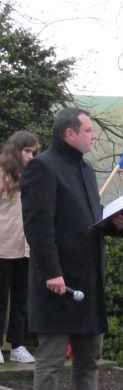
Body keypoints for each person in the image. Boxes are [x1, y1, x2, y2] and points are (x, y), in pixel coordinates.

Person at [20, 107, 123, 390]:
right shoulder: (42, 167)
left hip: (88, 279)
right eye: (88, 130)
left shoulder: (85, 169)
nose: (93, 135)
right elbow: (38, 227)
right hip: (58, 282)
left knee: (89, 357)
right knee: (51, 360)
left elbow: (87, 220)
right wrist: (51, 271)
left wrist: (113, 224)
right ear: (70, 133)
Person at [0, 131, 39, 364]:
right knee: (0, 297)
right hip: (3, 245)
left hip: (25, 247)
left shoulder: (33, 177)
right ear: (16, 151)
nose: (31, 156)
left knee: (21, 298)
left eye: (33, 152)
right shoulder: (2, 174)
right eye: (27, 151)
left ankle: (18, 345)